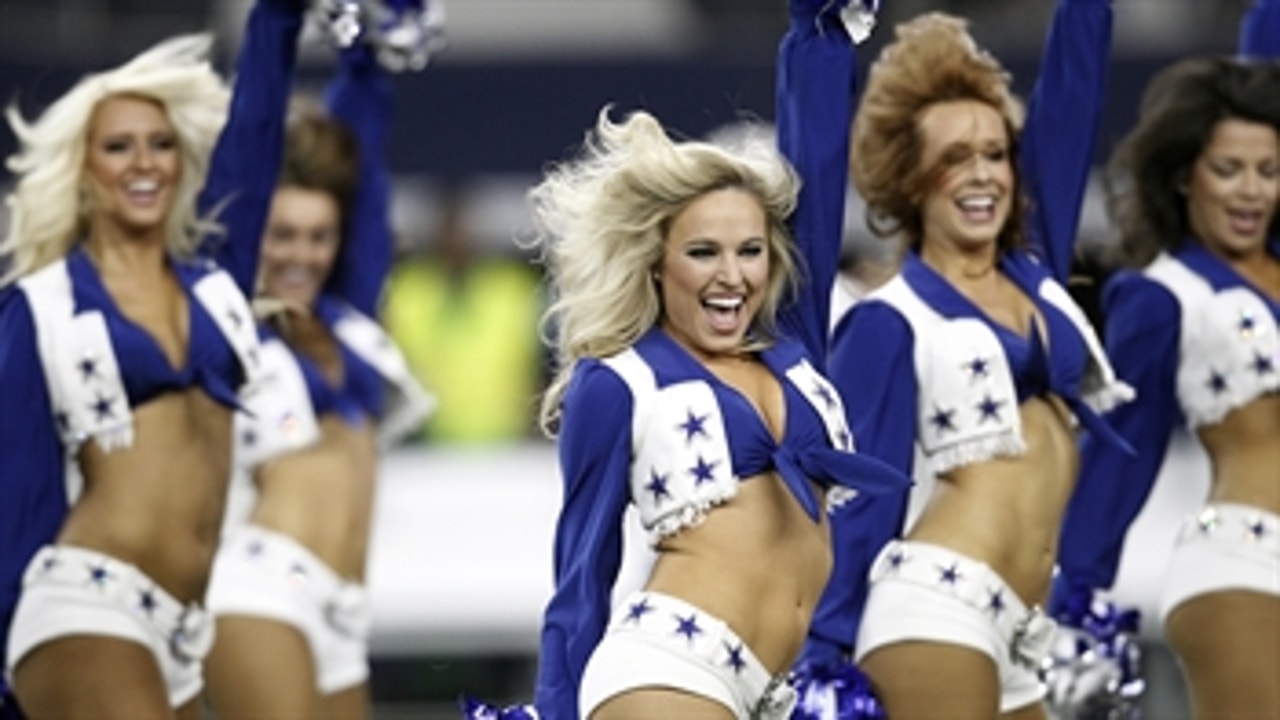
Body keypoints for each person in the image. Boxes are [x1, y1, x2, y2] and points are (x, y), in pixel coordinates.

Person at [529, 2, 907, 717]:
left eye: (750, 251)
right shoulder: (617, 382)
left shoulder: (793, 348)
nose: (730, 275)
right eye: (702, 252)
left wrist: (816, 36)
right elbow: (581, 578)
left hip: (768, 691)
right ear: (657, 263)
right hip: (666, 668)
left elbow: (818, 168)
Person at [796, 1, 1129, 718]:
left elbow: (1075, 93)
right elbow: (860, 502)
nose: (982, 174)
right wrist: (825, 659)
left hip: (1021, 630)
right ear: (910, 178)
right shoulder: (890, 321)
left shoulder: (1033, 267)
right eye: (954, 158)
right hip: (935, 609)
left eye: (994, 152)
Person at [0, 0, 305, 717]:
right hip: (84, 606)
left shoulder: (215, 282)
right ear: (82, 169)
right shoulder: (37, 306)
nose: (144, 163)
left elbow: (256, 135)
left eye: (160, 144)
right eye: (118, 146)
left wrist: (278, 19)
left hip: (179, 633)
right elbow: (18, 501)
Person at [1050, 9, 1280, 718]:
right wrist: (1075, 593)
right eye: (1228, 170)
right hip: (1242, 563)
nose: (1250, 190)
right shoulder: (1161, 295)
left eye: (1269, 170)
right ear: (1185, 177)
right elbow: (1125, 448)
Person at [201, 24, 435, 720]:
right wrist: (280, 19)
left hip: (345, 607)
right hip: (260, 586)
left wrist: (368, 58)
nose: (300, 254)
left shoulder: (348, 326)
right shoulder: (229, 322)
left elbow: (361, 161)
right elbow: (251, 141)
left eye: (318, 237)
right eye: (281, 236)